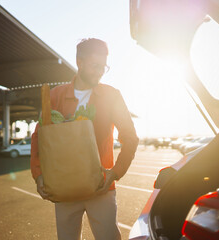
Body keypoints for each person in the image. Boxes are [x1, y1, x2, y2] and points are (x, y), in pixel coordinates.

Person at [30, 38, 139, 240]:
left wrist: (115, 173)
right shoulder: (55, 95)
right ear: (79, 62)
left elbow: (130, 138)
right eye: (95, 66)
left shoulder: (111, 95)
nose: (100, 72)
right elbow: (39, 137)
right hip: (64, 189)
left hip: (101, 188)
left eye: (104, 67)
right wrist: (38, 174)